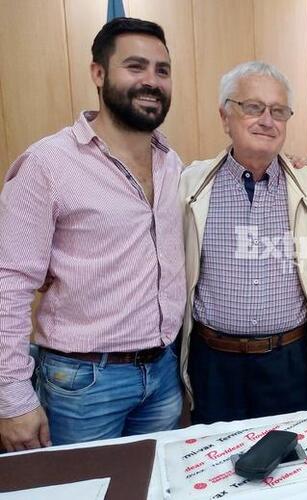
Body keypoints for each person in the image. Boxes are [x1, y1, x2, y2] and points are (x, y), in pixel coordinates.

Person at [0, 17, 185, 450]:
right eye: (135, 66)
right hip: (82, 384)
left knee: (156, 481)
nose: (151, 81)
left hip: (163, 373)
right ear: (98, 73)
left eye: (162, 70)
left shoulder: (171, 162)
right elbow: (8, 283)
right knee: (84, 484)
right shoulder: (48, 164)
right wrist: (11, 397)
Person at [179, 61, 307, 424]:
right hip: (214, 364)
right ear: (225, 117)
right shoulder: (190, 185)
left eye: (278, 111)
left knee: (292, 455)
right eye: (253, 107)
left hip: (290, 362)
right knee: (217, 454)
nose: (267, 120)